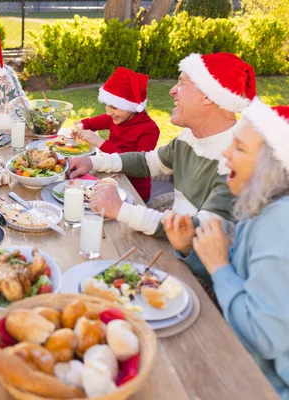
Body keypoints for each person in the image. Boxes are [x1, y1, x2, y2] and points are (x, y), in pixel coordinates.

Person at [163, 99, 289, 399]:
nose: (225, 152)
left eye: (240, 148)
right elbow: (241, 276)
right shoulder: (256, 205)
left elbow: (265, 337)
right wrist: (192, 251)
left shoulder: (279, 222)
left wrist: (219, 266)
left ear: (273, 168)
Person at [68, 53, 256, 237]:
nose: (172, 90)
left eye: (181, 83)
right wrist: (92, 163)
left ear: (207, 96)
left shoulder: (237, 159)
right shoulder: (189, 136)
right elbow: (147, 161)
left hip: (191, 263)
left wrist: (121, 210)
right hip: (172, 240)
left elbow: (201, 232)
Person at [71, 67, 159, 201]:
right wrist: (80, 125)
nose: (108, 112)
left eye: (114, 107)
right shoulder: (117, 117)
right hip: (110, 176)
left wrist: (100, 142)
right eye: (108, 105)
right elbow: (90, 123)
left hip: (133, 190)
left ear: (131, 107)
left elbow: (139, 169)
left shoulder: (149, 130)